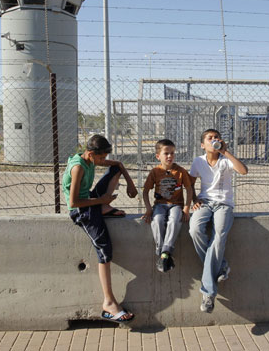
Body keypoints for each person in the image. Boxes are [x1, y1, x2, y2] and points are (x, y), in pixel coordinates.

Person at [62, 134, 138, 323]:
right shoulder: (78, 167)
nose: (103, 161)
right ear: (90, 153)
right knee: (104, 250)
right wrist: (102, 200)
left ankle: (103, 208)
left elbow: (118, 165)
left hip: (91, 201)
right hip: (81, 211)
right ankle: (109, 302)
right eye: (101, 158)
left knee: (114, 170)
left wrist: (130, 184)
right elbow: (73, 202)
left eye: (104, 157)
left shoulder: (90, 159)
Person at [188, 129, 248, 313]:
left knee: (219, 237)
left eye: (216, 137)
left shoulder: (225, 160)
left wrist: (225, 151)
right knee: (195, 230)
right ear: (202, 145)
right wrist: (194, 200)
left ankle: (208, 293)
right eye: (209, 138)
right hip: (205, 202)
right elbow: (189, 183)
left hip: (224, 204)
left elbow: (244, 171)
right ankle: (220, 266)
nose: (214, 140)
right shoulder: (198, 161)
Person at [141, 139, 192, 273]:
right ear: (158, 156)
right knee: (157, 220)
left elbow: (189, 189)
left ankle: (165, 252)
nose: (170, 156)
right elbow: (145, 191)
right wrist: (148, 209)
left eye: (172, 153)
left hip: (176, 205)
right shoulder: (155, 172)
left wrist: (186, 208)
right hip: (160, 205)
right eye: (166, 153)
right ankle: (163, 252)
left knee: (175, 220)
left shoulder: (180, 171)